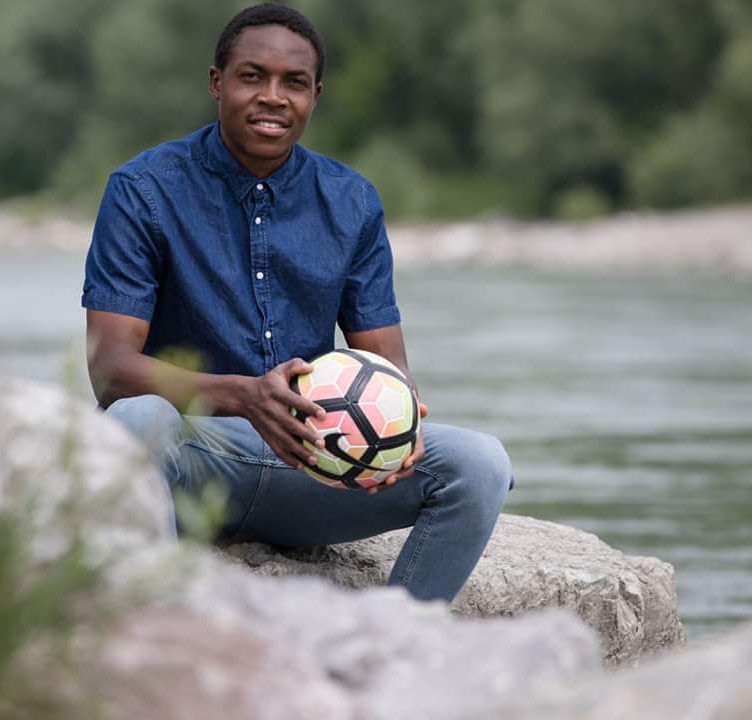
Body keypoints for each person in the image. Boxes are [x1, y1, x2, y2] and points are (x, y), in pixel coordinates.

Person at [82, 3, 512, 603]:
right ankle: (164, 626)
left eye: (294, 83)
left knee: (481, 464)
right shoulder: (144, 190)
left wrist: (400, 425)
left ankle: (396, 640)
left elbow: (389, 369)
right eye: (252, 76)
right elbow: (110, 370)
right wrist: (246, 396)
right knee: (134, 421)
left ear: (315, 95)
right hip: (196, 461)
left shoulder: (352, 201)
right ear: (217, 83)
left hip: (318, 468)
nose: (273, 97)